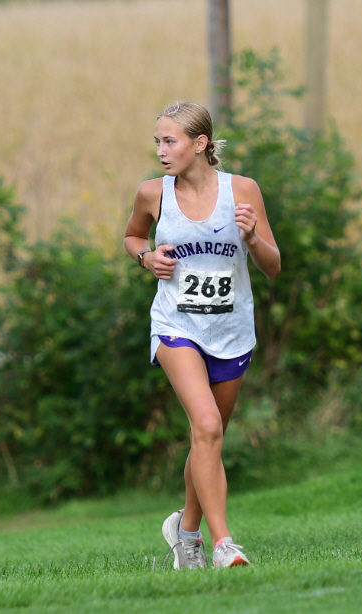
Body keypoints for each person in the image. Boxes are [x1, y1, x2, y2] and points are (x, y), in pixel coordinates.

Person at [124, 101, 280, 569]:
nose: (160, 150)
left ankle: (185, 531)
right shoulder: (152, 194)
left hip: (231, 331)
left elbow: (273, 266)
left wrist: (252, 239)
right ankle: (223, 544)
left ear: (200, 143)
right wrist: (147, 258)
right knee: (207, 427)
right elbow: (133, 237)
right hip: (177, 326)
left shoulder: (243, 191)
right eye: (157, 141)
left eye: (169, 141)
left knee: (208, 439)